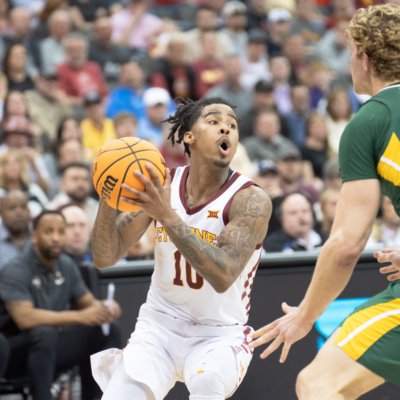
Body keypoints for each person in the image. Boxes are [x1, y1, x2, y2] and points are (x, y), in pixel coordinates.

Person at [250, 5, 400, 398]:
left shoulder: (371, 121)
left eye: (350, 53)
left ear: (365, 59)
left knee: (319, 385)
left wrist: (305, 315)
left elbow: (346, 245)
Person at [90, 97, 272, 400]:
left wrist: (167, 216)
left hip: (218, 334)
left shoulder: (250, 200)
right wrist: (108, 195)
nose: (225, 128)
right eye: (213, 121)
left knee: (207, 383)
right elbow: (105, 257)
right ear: (189, 136)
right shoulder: (163, 184)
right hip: (158, 327)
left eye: (232, 124)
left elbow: (224, 275)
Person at [0, 210, 122, 400]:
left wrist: (107, 308)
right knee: (44, 333)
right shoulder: (16, 269)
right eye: (49, 232)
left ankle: (101, 397)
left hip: (50, 348)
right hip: (14, 353)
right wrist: (80, 317)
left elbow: (89, 304)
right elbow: (24, 318)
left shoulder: (66, 265)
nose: (56, 238)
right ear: (34, 236)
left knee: (106, 330)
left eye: (61, 231)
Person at [0, 116, 50, 194]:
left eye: (22, 135)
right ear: (7, 137)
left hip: (28, 195)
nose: (18, 139)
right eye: (14, 134)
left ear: (28, 138)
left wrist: (34, 165)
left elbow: (45, 189)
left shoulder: (34, 155)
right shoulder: (1, 152)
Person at [57, 33, 108, 105]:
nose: (75, 54)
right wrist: (87, 102)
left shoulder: (94, 67)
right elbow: (62, 98)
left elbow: (105, 94)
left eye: (79, 49)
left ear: (85, 50)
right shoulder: (60, 70)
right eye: (71, 50)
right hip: (76, 109)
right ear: (65, 51)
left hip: (99, 107)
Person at [47, 162, 99, 228]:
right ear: (62, 184)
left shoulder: (97, 208)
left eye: (85, 179)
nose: (81, 184)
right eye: (75, 179)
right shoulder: (52, 210)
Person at [0, 149, 48, 218]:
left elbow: (47, 210)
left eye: (16, 162)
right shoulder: (1, 193)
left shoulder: (33, 190)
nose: (12, 166)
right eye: (7, 163)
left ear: (22, 166)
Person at [25, 72, 72, 141]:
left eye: (54, 80)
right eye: (48, 80)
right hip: (38, 138)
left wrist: (65, 103)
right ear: (39, 82)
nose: (52, 84)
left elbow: (69, 120)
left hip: (57, 141)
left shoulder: (59, 100)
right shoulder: (29, 97)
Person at [88, 16, 131, 89]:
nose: (105, 32)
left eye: (108, 29)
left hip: (120, 88)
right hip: (98, 87)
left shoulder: (122, 51)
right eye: (102, 30)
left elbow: (128, 74)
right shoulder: (89, 52)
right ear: (95, 32)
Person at [206, 54, 253, 120]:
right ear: (223, 70)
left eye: (236, 65)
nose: (234, 68)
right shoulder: (214, 94)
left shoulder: (249, 95)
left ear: (242, 69)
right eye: (229, 65)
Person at [0, 190, 31, 270]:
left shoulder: (38, 236)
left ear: (29, 211)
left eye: (23, 207)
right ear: (1, 213)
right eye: (12, 208)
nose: (19, 212)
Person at [81, 91, 116, 161]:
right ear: (85, 110)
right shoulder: (81, 128)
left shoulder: (112, 124)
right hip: (92, 164)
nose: (93, 108)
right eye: (89, 106)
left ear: (102, 105)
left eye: (96, 104)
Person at [191, 30, 225, 100]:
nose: (211, 46)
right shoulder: (194, 66)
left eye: (214, 43)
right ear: (202, 45)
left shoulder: (223, 65)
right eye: (209, 43)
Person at [39, 9, 71, 75]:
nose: (61, 26)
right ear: (51, 27)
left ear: (69, 27)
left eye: (64, 24)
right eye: (58, 24)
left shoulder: (74, 44)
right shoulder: (45, 45)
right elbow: (48, 69)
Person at [300, 114, 329, 179]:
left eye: (324, 125)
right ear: (309, 128)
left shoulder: (328, 148)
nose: (322, 128)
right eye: (318, 126)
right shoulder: (304, 150)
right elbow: (308, 177)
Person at [325, 88, 353, 156]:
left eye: (343, 101)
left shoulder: (356, 120)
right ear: (330, 105)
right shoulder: (326, 123)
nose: (340, 105)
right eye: (336, 102)